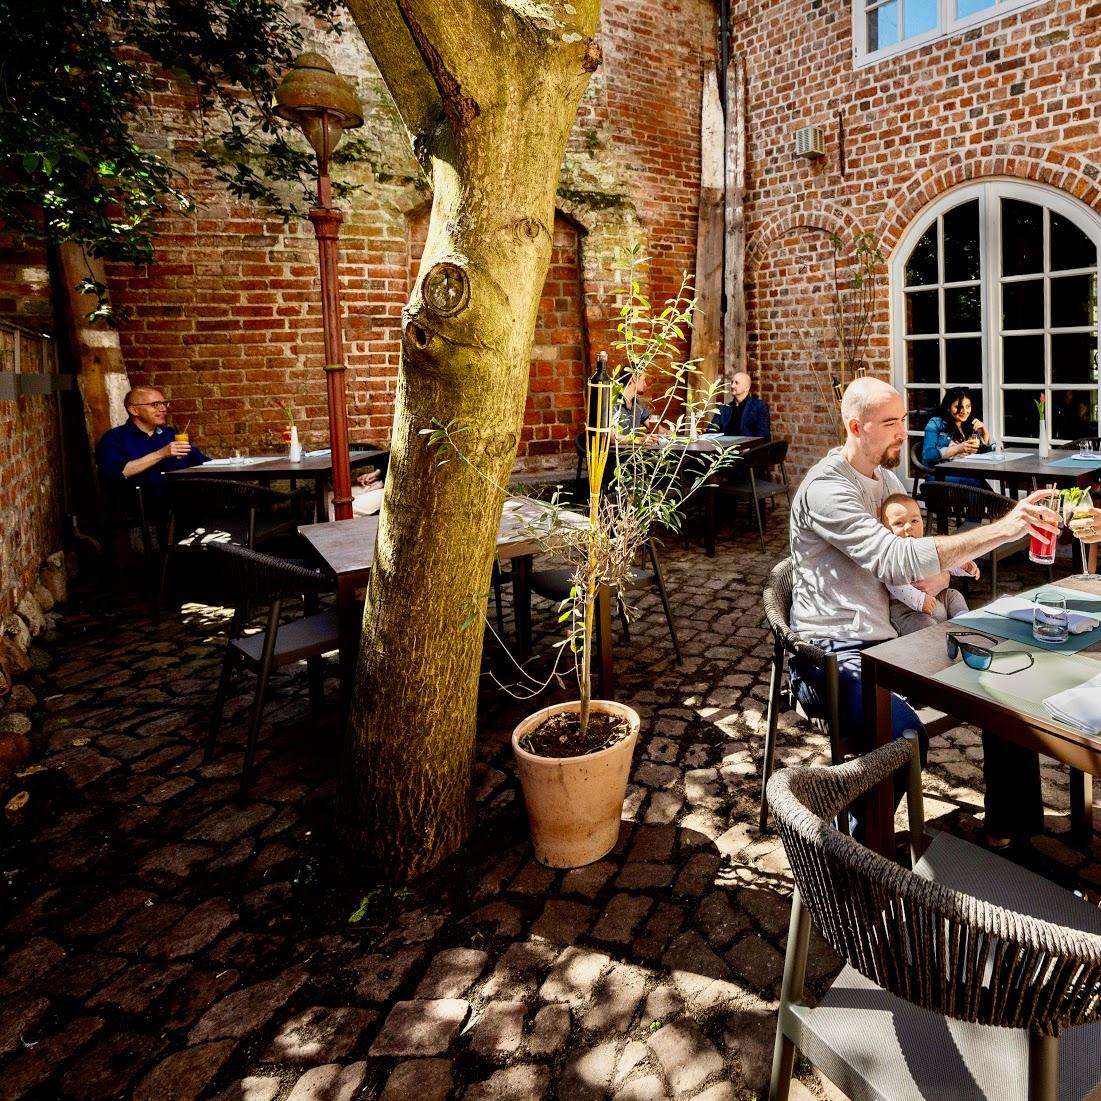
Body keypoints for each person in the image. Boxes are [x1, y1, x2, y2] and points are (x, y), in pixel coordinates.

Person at [788, 375, 1059, 850]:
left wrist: (949, 572)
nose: (903, 433)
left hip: (895, 638)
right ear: (856, 426)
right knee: (903, 736)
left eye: (902, 420)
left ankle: (1008, 832)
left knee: (1009, 682)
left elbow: (916, 558)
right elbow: (896, 559)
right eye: (891, 423)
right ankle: (846, 851)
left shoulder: (886, 479)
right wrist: (1002, 529)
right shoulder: (827, 490)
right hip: (829, 653)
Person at [880, 492, 977, 635]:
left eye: (914, 521)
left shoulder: (924, 546)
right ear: (885, 530)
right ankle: (937, 636)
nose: (908, 527)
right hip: (908, 611)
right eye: (899, 523)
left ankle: (962, 619)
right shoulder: (893, 554)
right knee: (924, 625)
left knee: (953, 595)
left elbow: (943, 562)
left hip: (937, 599)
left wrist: (961, 565)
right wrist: (919, 601)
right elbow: (895, 585)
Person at [96, 387, 208, 497]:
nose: (163, 409)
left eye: (164, 404)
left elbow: (202, 462)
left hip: (179, 504)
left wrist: (223, 464)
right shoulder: (114, 438)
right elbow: (115, 473)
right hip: (140, 508)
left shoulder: (170, 434)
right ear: (134, 410)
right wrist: (161, 454)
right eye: (156, 405)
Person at [921, 386, 991, 488]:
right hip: (939, 477)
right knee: (977, 483)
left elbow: (981, 457)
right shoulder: (936, 423)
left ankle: (1001, 504)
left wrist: (985, 435)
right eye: (958, 407)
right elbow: (928, 455)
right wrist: (958, 448)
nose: (964, 411)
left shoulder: (968, 425)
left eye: (968, 406)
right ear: (948, 407)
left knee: (978, 483)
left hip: (966, 474)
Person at [709, 371, 770, 439]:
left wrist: (748, 447)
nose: (732, 386)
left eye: (736, 383)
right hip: (724, 447)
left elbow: (763, 435)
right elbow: (711, 431)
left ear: (746, 388)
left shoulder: (759, 406)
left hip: (749, 448)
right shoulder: (723, 409)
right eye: (732, 382)